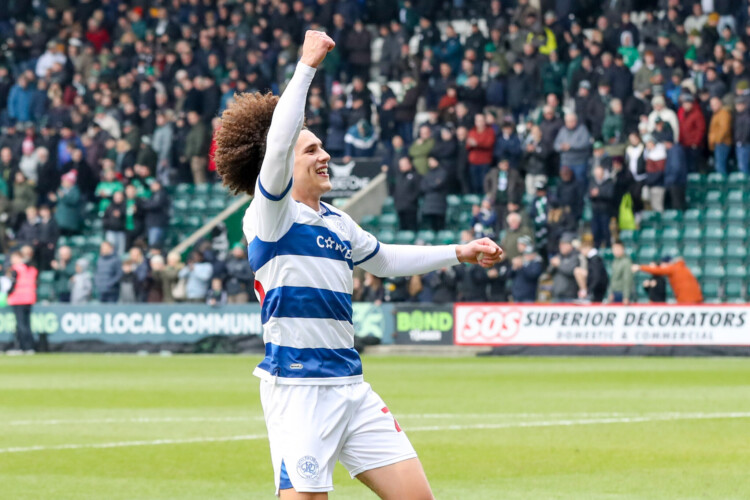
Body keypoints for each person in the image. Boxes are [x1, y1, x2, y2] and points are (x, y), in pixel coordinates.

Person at [213, 31, 502, 499]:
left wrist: (458, 251)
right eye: (311, 150)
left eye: (322, 147)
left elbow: (385, 259)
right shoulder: (271, 216)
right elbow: (280, 138)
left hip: (351, 386)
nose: (325, 155)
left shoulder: (337, 221)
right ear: (282, 163)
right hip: (300, 389)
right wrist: (306, 66)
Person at [633, 256, 703, 304]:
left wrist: (640, 267)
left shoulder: (673, 268)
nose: (661, 266)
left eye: (662, 264)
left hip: (687, 300)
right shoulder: (683, 268)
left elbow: (657, 270)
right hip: (696, 299)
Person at [6, 251, 38, 353]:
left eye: (13, 258)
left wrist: (7, 293)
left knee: (20, 325)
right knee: (27, 324)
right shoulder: (31, 268)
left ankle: (21, 347)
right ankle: (30, 347)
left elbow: (12, 286)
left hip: (18, 299)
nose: (12, 260)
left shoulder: (16, 269)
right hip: (29, 299)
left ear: (19, 258)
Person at [509, 236, 543, 303]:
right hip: (517, 295)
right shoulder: (519, 259)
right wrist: (513, 268)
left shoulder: (536, 261)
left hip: (528, 296)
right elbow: (510, 275)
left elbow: (533, 275)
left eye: (521, 244)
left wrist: (522, 265)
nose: (518, 246)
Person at [548, 233, 581, 302]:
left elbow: (570, 271)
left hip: (569, 296)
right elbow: (549, 272)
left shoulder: (575, 256)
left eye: (564, 244)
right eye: (560, 244)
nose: (561, 247)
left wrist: (559, 264)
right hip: (556, 295)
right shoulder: (559, 256)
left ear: (570, 245)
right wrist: (552, 265)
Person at [574, 238, 609, 302]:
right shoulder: (592, 259)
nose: (581, 252)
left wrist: (589, 291)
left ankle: (585, 293)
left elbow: (596, 276)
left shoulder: (595, 259)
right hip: (597, 289)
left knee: (578, 271)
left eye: (582, 250)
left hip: (597, 291)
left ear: (587, 248)